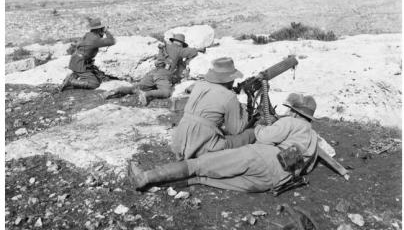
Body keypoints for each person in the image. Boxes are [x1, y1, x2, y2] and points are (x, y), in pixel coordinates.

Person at [127, 93, 320, 193]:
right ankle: (161, 186)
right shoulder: (313, 138)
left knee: (202, 164)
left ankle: (146, 177)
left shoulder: (291, 121)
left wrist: (260, 127)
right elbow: (305, 166)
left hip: (262, 158)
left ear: (295, 112)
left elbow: (264, 138)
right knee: (203, 179)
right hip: (277, 180)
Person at [171, 57, 256, 160]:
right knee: (249, 134)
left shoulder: (199, 85)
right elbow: (235, 130)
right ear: (230, 79)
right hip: (203, 146)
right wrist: (243, 105)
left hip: (179, 141)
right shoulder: (229, 96)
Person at [59, 18, 116, 91]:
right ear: (98, 30)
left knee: (100, 77)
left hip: (78, 61)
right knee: (95, 84)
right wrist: (106, 31)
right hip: (80, 64)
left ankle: (76, 75)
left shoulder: (89, 35)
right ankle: (71, 81)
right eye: (101, 28)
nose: (102, 30)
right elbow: (112, 41)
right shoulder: (95, 39)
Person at [104, 58, 173, 106]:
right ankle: (146, 94)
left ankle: (115, 91)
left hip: (148, 78)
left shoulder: (153, 70)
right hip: (160, 76)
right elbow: (167, 78)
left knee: (134, 88)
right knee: (167, 92)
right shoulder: (165, 71)